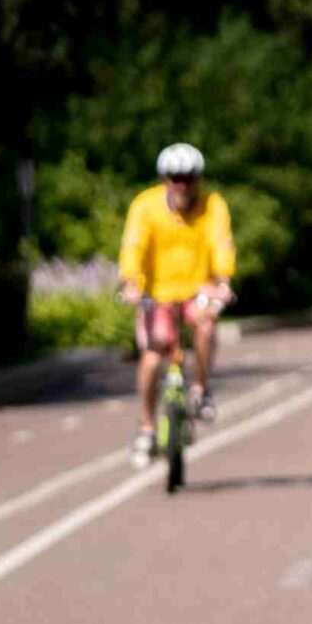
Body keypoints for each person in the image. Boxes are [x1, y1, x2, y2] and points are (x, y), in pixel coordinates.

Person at [118, 142, 235, 467]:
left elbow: (220, 242)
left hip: (196, 289)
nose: (182, 184)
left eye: (189, 177)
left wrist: (223, 281)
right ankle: (146, 427)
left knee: (206, 322)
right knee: (154, 357)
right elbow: (134, 245)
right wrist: (130, 282)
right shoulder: (146, 206)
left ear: (198, 178)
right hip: (157, 293)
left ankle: (200, 388)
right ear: (164, 179)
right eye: (175, 177)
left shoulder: (213, 205)